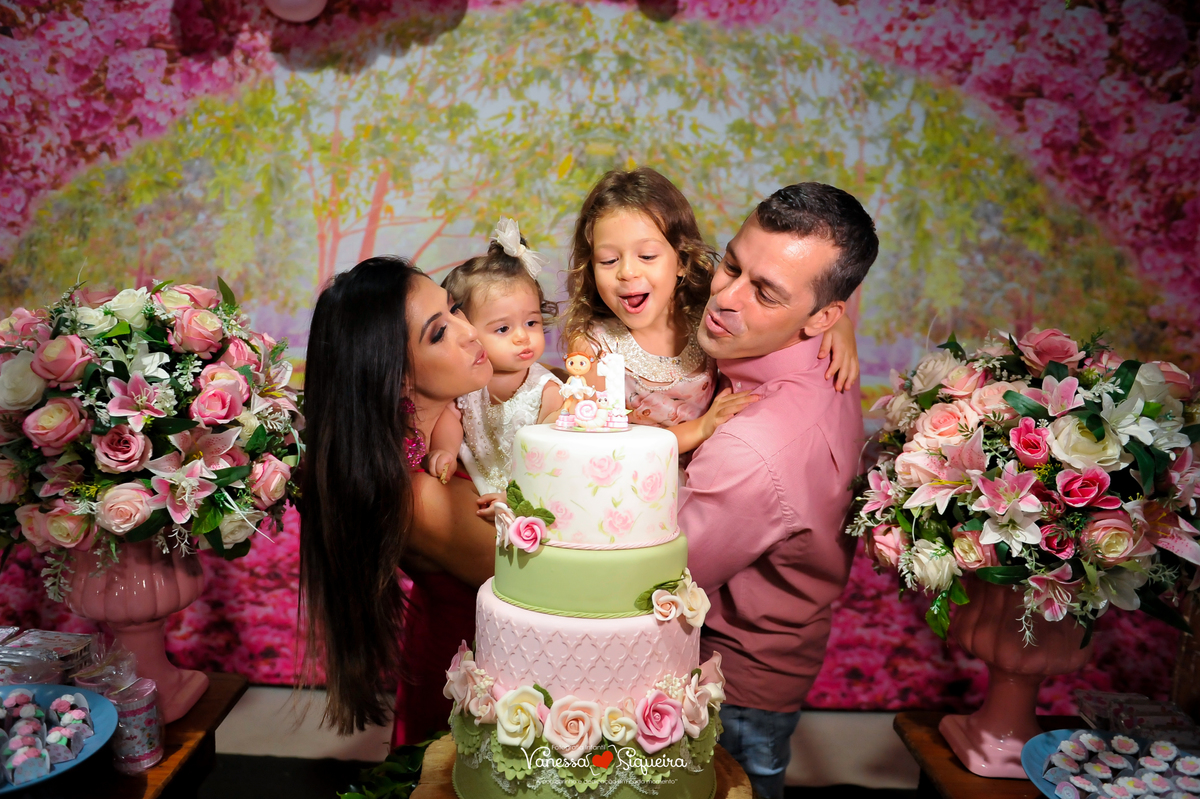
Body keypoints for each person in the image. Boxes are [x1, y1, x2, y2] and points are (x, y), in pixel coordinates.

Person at [679, 183, 878, 799]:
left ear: (822, 317)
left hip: (733, 691)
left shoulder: (755, 448)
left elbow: (656, 579)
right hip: (776, 663)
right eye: (731, 265)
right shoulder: (819, 346)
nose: (724, 297)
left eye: (764, 293)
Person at [298, 256, 498, 746]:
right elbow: (542, 576)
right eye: (439, 333)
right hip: (473, 684)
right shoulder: (421, 495)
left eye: (455, 309)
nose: (470, 332)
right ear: (399, 377)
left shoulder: (456, 428)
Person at [561, 167, 859, 455]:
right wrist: (702, 427)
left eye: (647, 256)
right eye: (608, 260)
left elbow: (795, 304)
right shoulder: (593, 346)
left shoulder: (705, 310)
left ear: (681, 261)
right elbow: (601, 445)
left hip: (716, 460)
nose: (627, 272)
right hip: (641, 472)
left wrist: (839, 325)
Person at [424, 218, 564, 505]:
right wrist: (445, 450)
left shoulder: (545, 387)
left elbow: (553, 438)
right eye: (503, 329)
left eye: (531, 322)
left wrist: (519, 492)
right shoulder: (469, 383)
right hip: (478, 479)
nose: (522, 337)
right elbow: (451, 417)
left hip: (531, 484)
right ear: (468, 330)